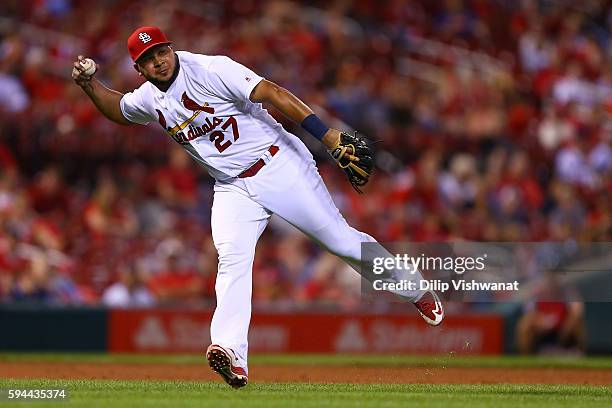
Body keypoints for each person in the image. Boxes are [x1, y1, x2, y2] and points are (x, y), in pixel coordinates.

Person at [71, 26, 444, 388]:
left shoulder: (212, 69)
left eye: (161, 52)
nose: (159, 61)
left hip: (278, 163)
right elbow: (119, 109)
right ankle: (231, 354)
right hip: (232, 187)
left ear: (171, 48)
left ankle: (415, 290)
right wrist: (89, 85)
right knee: (232, 261)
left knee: (341, 242)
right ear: (139, 69)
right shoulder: (150, 97)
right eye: (148, 59)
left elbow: (273, 92)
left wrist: (327, 135)